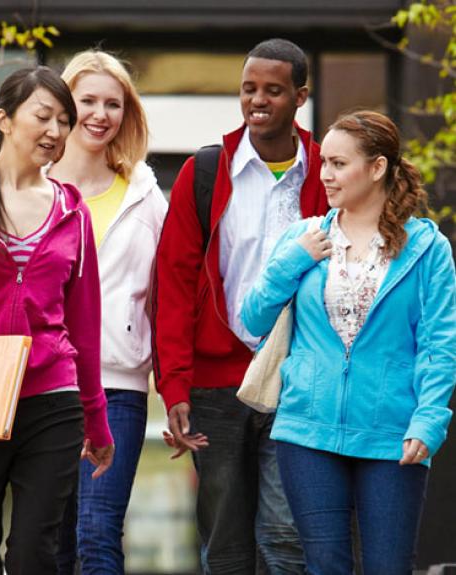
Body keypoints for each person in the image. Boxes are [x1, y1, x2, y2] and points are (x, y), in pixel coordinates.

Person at [241, 110, 456, 575]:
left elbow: (439, 344)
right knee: (324, 566)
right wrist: (291, 263)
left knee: (388, 566)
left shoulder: (426, 248)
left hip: (392, 434)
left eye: (339, 164)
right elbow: (253, 317)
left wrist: (429, 421)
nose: (326, 175)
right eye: (324, 163)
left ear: (377, 168)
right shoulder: (305, 236)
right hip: (307, 430)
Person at [152, 38, 328, 574]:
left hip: (296, 379)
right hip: (215, 384)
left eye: (273, 91)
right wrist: (175, 385)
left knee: (285, 536)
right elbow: (174, 285)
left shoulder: (328, 173)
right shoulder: (203, 173)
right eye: (249, 89)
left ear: (300, 96)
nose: (258, 100)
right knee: (224, 543)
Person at [0, 66, 114, 575]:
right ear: (4, 119)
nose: (56, 131)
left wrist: (97, 417)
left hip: (53, 398)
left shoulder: (72, 212)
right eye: (43, 116)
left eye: (64, 121)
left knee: (34, 554)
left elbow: (84, 325)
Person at [49, 50, 168, 574]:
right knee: (48, 540)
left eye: (113, 104)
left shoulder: (147, 197)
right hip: (42, 386)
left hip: (118, 387)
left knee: (97, 533)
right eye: (88, 100)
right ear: (63, 106)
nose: (100, 114)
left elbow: (167, 296)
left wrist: (175, 385)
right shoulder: (33, 189)